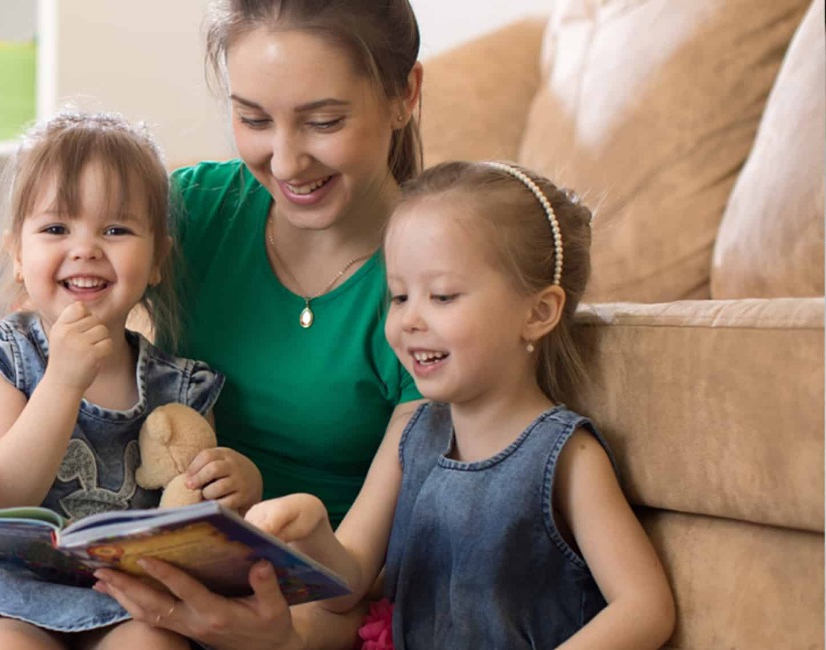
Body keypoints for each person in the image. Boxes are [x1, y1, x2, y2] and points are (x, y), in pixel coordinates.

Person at [0, 1, 425, 648]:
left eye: (324, 121)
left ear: (405, 95)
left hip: (285, 605)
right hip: (119, 579)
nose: (284, 163)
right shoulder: (195, 209)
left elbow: (354, 573)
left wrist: (281, 636)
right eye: (252, 118)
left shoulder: (432, 284)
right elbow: (2, 362)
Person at [242, 161, 678, 648]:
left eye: (443, 296)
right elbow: (348, 588)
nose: (409, 319)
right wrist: (314, 533)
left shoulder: (566, 456)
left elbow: (644, 607)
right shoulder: (412, 437)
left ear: (538, 312)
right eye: (399, 296)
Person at [0, 111, 262, 650]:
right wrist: (63, 381)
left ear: (157, 258)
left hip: (126, 598)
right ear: (19, 254)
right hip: (0, 592)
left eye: (116, 229)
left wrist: (238, 483)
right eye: (56, 229)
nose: (86, 248)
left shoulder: (182, 386)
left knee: (154, 645)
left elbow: (190, 512)